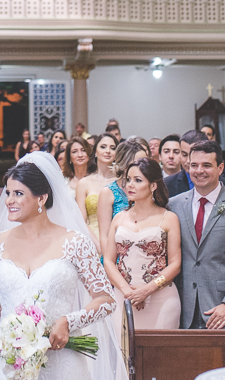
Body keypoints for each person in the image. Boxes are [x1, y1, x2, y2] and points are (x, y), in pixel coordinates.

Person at [0, 154, 120, 380]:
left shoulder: (75, 242)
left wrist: (68, 321)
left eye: (18, 193)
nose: (9, 200)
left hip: (61, 359)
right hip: (8, 362)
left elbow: (106, 300)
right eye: (8, 193)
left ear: (41, 198)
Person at [167, 139, 225, 329]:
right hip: (182, 309)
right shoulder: (174, 205)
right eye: (194, 165)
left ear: (220, 168)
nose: (199, 170)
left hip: (224, 310)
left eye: (206, 165)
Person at [104, 158, 181, 329]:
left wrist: (147, 290)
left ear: (153, 186)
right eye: (129, 180)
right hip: (124, 296)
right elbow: (109, 261)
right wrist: (128, 292)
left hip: (160, 298)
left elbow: (175, 264)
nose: (130, 185)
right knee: (123, 353)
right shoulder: (119, 218)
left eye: (138, 180)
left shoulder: (168, 218)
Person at [97, 139, 147, 255]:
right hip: (118, 258)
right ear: (125, 164)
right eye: (139, 162)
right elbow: (104, 237)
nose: (144, 166)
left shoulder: (149, 188)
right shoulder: (108, 193)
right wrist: (111, 265)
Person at [76, 132, 119, 246]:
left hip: (118, 238)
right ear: (95, 151)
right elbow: (81, 221)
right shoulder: (84, 183)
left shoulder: (121, 182)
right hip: (91, 240)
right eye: (103, 147)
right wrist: (98, 246)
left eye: (112, 148)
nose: (108, 151)